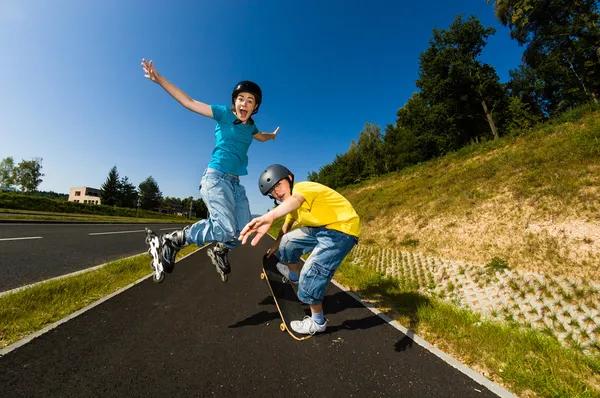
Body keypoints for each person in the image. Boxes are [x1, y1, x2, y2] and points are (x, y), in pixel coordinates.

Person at [141, 58, 280, 281]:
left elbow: (261, 137)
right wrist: (159, 80)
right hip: (216, 179)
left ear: (255, 108)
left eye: (250, 101)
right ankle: (174, 240)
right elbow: (189, 102)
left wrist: (271, 136)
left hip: (235, 184)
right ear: (234, 102)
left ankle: (220, 250)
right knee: (224, 228)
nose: (244, 104)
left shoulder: (251, 127)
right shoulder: (223, 114)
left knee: (243, 230)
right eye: (241, 99)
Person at [239, 164, 360, 334]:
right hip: (320, 228)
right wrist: (276, 246)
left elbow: (297, 199)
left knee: (311, 273)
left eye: (278, 186)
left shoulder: (302, 188)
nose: (277, 193)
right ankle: (293, 276)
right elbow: (285, 228)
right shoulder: (290, 205)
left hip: (342, 231)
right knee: (287, 242)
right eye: (272, 192)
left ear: (289, 179)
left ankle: (317, 322)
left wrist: (270, 215)